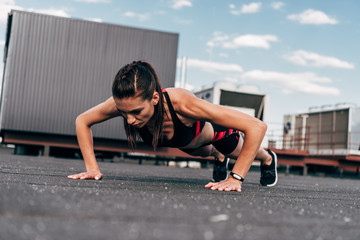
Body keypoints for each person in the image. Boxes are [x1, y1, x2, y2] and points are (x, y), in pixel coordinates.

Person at [67, 61, 278, 192]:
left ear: (155, 98)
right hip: (189, 143)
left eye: (137, 112)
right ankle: (218, 156)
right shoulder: (125, 102)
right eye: (124, 112)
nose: (130, 119)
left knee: (242, 152)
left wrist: (236, 178)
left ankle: (268, 158)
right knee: (206, 153)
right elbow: (82, 121)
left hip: (217, 133)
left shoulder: (182, 103)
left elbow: (257, 127)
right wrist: (92, 168)